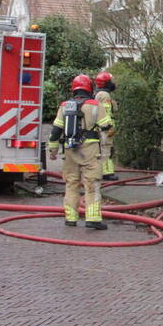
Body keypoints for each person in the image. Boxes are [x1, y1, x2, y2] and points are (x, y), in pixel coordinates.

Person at [47, 75, 114, 229]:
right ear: (89, 88)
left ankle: (70, 218)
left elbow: (55, 132)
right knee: (92, 184)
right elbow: (107, 126)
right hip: (90, 151)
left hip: (70, 151)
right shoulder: (96, 105)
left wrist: (53, 150)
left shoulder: (64, 106)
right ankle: (93, 219)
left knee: (71, 184)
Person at [94, 71, 119, 182]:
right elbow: (106, 112)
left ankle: (104, 171)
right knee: (106, 149)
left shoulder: (99, 94)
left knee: (105, 149)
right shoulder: (104, 95)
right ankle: (107, 173)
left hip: (101, 127)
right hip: (105, 129)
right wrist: (109, 127)